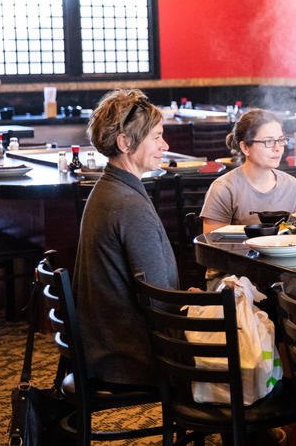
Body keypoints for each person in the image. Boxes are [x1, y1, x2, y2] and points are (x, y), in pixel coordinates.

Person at [73, 88, 177, 386]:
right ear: (125, 142)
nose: (164, 145)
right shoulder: (128, 205)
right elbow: (157, 299)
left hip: (103, 346)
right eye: (156, 136)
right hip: (128, 357)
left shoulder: (107, 188)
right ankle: (248, 431)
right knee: (237, 344)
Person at [201, 108, 296, 231]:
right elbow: (211, 241)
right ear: (245, 147)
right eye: (268, 141)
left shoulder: (291, 185)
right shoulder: (224, 188)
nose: (277, 148)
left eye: (280, 140)